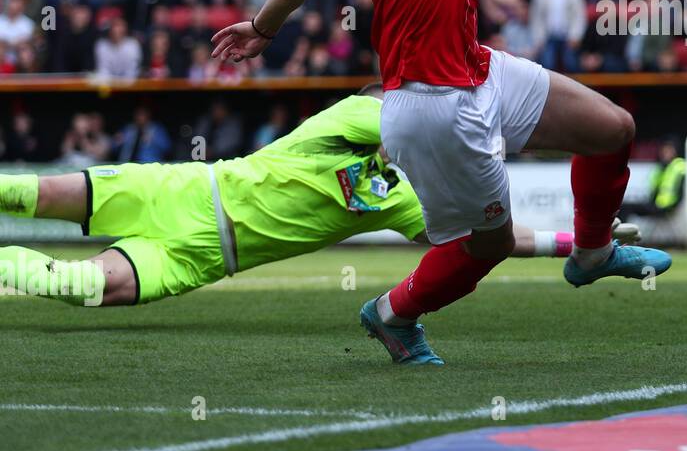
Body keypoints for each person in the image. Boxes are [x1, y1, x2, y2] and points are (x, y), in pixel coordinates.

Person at [211, 0, 687, 365]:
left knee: (610, 129)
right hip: (433, 102)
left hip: (474, 67)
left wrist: (261, 29)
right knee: (486, 245)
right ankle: (392, 313)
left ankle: (591, 253)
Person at [0, 89, 642, 308]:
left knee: (80, 288)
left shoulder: (398, 201)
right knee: (31, 192)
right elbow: (404, 120)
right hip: (181, 191)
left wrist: (584, 242)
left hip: (201, 260)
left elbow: (492, 245)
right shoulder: (352, 122)